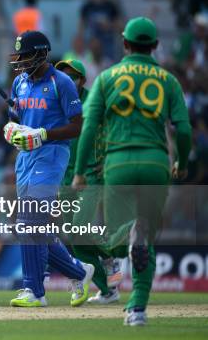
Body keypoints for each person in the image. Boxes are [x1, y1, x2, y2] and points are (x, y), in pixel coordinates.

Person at [73, 17, 192, 326]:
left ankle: (128, 233)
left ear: (124, 43)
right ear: (154, 46)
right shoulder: (168, 80)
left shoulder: (106, 78)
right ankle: (137, 308)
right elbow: (183, 129)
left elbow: (88, 129)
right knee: (147, 237)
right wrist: (183, 161)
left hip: (118, 163)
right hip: (155, 162)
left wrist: (79, 172)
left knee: (117, 237)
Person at [3, 30, 94, 308]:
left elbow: (77, 126)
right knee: (35, 228)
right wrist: (11, 129)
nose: (21, 61)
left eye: (26, 55)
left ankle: (33, 290)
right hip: (25, 158)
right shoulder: (19, 82)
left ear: (42, 53)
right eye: (19, 56)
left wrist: (43, 134)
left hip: (52, 154)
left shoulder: (61, 82)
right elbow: (15, 119)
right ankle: (79, 272)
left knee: (29, 221)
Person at [55, 59, 121, 305]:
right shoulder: (55, 100)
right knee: (75, 238)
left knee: (81, 226)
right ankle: (107, 290)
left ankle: (110, 253)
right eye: (63, 75)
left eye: (73, 76)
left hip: (91, 174)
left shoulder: (94, 100)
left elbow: (114, 129)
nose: (67, 80)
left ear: (82, 80)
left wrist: (109, 158)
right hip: (64, 175)